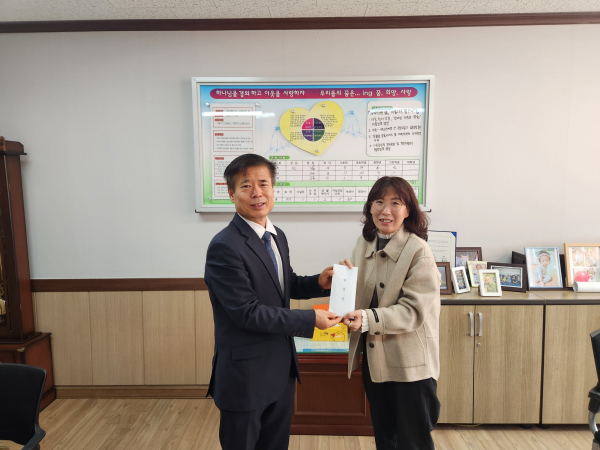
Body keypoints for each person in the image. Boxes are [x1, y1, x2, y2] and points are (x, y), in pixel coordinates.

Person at [204, 154, 341, 450]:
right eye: (246, 185)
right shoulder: (224, 246)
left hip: (279, 371)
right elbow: (247, 312)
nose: (257, 193)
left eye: (263, 183)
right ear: (231, 194)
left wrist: (318, 282)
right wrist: (310, 320)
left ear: (273, 188)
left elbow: (284, 283)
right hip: (245, 377)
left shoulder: (277, 236)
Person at [339, 176, 441, 450]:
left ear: (408, 211)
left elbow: (412, 311)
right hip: (376, 361)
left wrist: (366, 318)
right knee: (386, 439)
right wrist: (342, 285)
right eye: (379, 202)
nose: (386, 211)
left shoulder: (419, 250)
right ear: (370, 208)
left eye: (395, 203)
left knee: (414, 442)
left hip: (410, 366)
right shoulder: (364, 243)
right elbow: (360, 293)